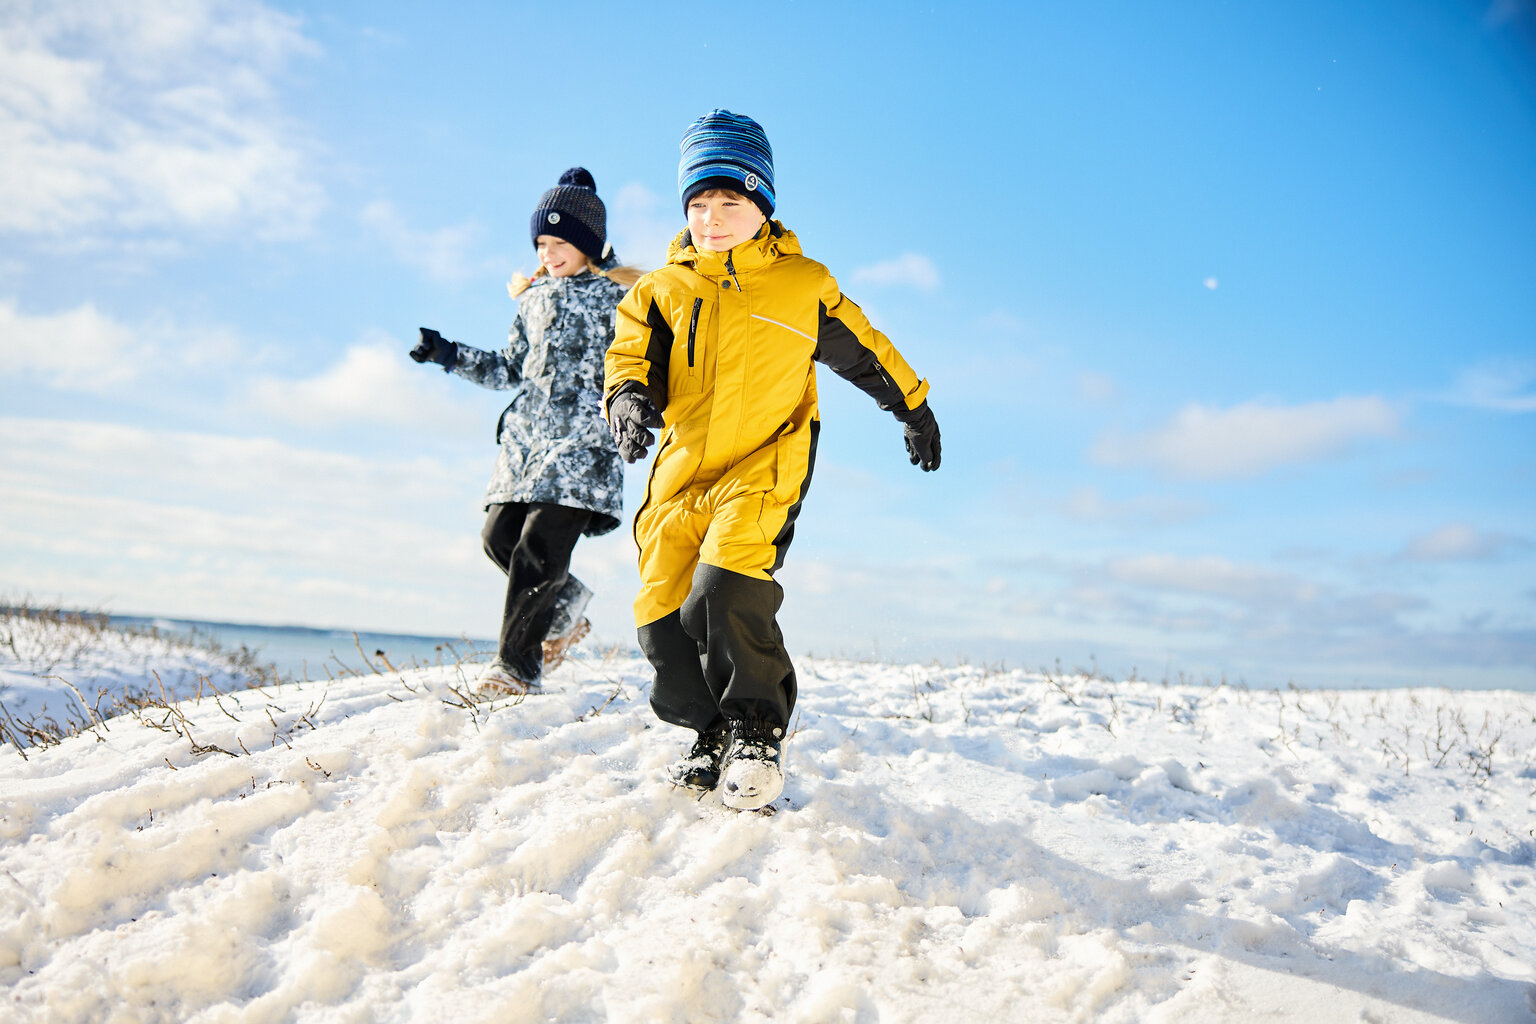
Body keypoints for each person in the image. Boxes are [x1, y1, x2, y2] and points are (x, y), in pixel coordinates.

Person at [604, 111, 941, 810]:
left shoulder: (802, 284)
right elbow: (630, 357)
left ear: (762, 207)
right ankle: (710, 730)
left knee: (723, 590)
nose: (713, 218)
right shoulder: (659, 290)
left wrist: (914, 409)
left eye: (730, 202)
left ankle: (756, 729)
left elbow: (868, 352)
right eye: (698, 204)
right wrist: (629, 401)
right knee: (661, 622)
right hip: (682, 471)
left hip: (766, 461)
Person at [412, 167, 641, 695]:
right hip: (526, 446)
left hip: (582, 446)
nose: (548, 252)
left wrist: (635, 406)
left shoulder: (618, 299)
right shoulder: (533, 299)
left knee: (539, 548)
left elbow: (641, 359)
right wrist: (449, 354)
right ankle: (565, 606)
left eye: (560, 242)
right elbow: (508, 368)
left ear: (590, 245)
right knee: (499, 540)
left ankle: (516, 669)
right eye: (541, 242)